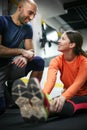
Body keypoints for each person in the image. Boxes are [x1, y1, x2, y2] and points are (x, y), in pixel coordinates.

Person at [12, 30, 87, 123]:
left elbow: (78, 83)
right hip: (69, 94)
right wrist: (42, 97)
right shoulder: (56, 60)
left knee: (62, 105)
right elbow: (50, 81)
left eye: (63, 39)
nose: (59, 41)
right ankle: (34, 112)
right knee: (53, 103)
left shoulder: (84, 62)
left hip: (84, 95)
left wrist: (63, 97)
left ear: (72, 45)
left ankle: (36, 112)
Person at [0, 0, 45, 115]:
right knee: (1, 108)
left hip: (11, 66)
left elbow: (31, 51)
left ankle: (31, 100)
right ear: (20, 8)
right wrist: (21, 51)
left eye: (34, 15)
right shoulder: (2, 21)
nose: (31, 17)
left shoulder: (27, 28)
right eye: (30, 13)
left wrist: (25, 57)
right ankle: (5, 93)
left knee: (38, 62)